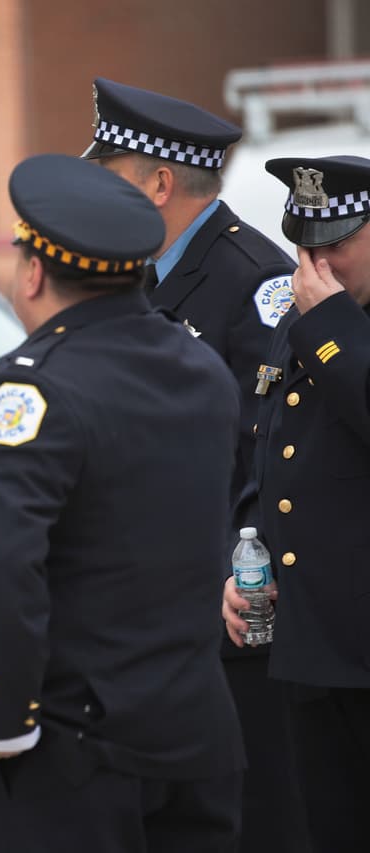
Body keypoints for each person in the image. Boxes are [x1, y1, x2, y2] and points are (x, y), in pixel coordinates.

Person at [0, 154, 245, 852]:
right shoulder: (201, 370)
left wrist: (1, 721)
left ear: (35, 271)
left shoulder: (29, 394)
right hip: (195, 734)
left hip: (70, 753)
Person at [82, 77, 306, 852]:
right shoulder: (141, 276)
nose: (98, 193)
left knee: (249, 817)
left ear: (160, 182)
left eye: (109, 174)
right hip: (154, 612)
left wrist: (235, 571)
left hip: (231, 613)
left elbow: (272, 455)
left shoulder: (257, 281)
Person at [222, 155, 370, 849]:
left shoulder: (328, 321)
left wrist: (335, 326)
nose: (315, 265)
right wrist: (244, 554)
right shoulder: (309, 319)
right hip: (312, 645)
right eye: (304, 246)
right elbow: (272, 449)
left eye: (337, 242)